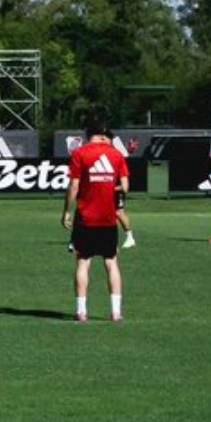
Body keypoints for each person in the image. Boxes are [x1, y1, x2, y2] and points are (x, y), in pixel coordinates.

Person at [61, 119, 129, 322]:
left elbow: (73, 186)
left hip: (85, 218)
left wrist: (66, 211)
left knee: (83, 262)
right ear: (103, 135)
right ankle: (116, 312)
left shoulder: (80, 153)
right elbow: (125, 187)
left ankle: (81, 311)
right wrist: (109, 188)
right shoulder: (116, 155)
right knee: (111, 263)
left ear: (88, 135)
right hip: (108, 218)